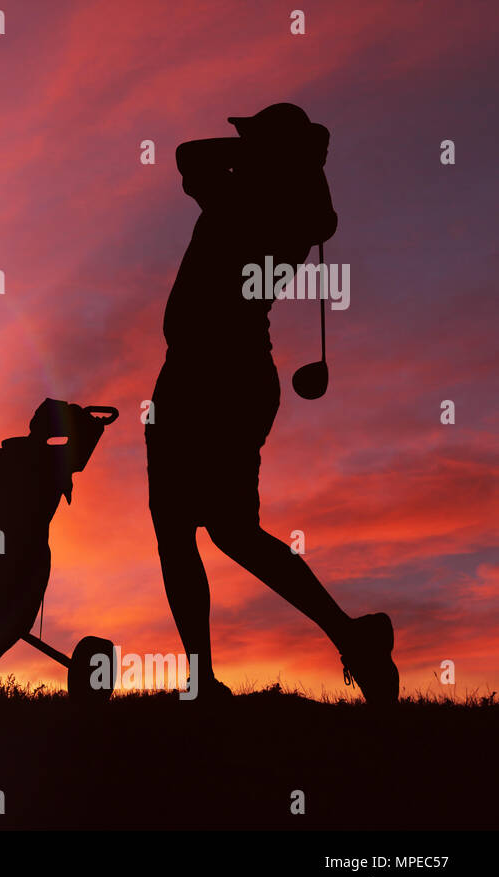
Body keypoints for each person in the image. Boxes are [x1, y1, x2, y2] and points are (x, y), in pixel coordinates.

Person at [146, 103, 398, 704]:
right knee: (230, 532)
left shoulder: (246, 202)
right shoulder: (293, 205)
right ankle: (348, 637)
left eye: (255, 141)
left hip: (204, 378)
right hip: (234, 377)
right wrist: (288, 155)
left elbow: (190, 155)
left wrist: (267, 154)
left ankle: (204, 678)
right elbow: (319, 211)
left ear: (271, 153)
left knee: (180, 529)